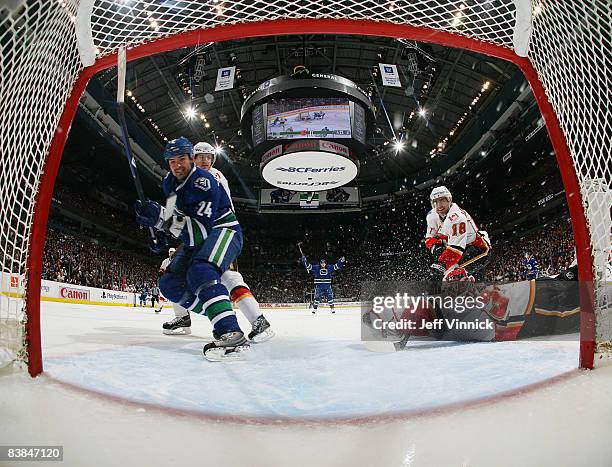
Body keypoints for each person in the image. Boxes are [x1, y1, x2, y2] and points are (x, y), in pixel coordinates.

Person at [135, 137, 249, 361]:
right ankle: (219, 314)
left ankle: (231, 333)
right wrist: (157, 231)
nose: (177, 165)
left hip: (222, 229)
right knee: (169, 284)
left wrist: (160, 218)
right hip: (196, 234)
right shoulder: (169, 182)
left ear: (191, 159)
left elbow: (198, 232)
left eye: (181, 159)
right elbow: (172, 211)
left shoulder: (203, 183)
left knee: (201, 270)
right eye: (172, 161)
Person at [191, 142, 274, 342]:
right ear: (194, 158)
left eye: (208, 157)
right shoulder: (206, 176)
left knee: (219, 277)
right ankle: (253, 321)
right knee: (227, 278)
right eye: (201, 156)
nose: (205, 160)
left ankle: (226, 322)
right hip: (217, 234)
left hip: (217, 234)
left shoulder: (210, 177)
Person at [425, 186, 492, 281]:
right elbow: (429, 238)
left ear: (449, 200)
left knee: (451, 275)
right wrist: (436, 248)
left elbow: (456, 250)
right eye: (435, 202)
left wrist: (440, 265)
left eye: (442, 200)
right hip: (456, 249)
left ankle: (468, 287)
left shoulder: (457, 218)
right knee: (447, 272)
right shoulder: (432, 215)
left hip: (477, 250)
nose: (439, 205)